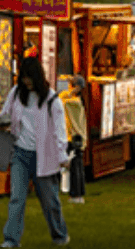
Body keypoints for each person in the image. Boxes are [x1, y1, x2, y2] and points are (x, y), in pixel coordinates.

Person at [0, 58, 70, 248]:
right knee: (16, 199)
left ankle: (59, 235)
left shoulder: (52, 100)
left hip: (44, 156)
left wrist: (62, 155)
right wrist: (3, 123)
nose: (26, 81)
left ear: (38, 76)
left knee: (50, 201)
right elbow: (4, 114)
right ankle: (11, 239)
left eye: (29, 77)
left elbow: (59, 130)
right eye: (23, 77)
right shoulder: (15, 94)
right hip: (20, 154)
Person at [59, 75, 88, 204]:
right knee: (78, 165)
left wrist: (72, 89)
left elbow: (59, 100)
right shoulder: (79, 102)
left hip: (71, 136)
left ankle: (75, 195)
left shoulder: (70, 102)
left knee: (74, 167)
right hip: (80, 137)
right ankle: (80, 193)